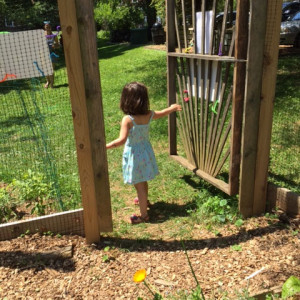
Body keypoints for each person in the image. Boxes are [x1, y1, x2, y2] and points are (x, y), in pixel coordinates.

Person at [106, 82, 182, 224]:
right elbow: (162, 113)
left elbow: (121, 140)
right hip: (145, 153)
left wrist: (105, 146)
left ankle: (143, 216)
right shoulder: (148, 115)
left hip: (134, 155)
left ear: (126, 100)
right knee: (142, 181)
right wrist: (172, 108)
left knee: (139, 184)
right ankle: (144, 201)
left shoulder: (128, 119)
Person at [44, 22, 59, 88]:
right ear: (45, 27)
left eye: (49, 27)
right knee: (45, 69)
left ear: (50, 28)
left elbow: (58, 45)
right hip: (44, 54)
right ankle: (48, 81)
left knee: (51, 69)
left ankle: (52, 83)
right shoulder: (42, 35)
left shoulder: (54, 36)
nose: (48, 28)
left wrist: (55, 45)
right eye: (47, 27)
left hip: (52, 54)